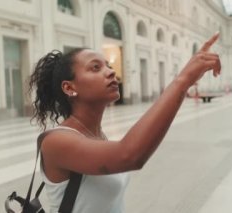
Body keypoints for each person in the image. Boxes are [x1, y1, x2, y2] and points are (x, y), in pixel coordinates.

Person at [28, 32, 221, 213]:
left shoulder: (98, 135)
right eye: (96, 67)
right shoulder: (56, 142)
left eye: (108, 66)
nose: (111, 72)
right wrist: (183, 79)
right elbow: (129, 155)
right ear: (69, 87)